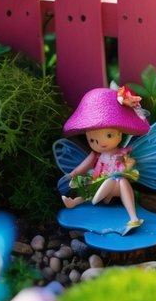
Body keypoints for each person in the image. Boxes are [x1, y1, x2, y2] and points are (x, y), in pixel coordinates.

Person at [59, 85, 150, 232]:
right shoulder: (96, 155)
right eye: (92, 140)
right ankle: (75, 202)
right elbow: (83, 166)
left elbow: (128, 166)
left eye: (109, 135)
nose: (101, 143)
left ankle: (133, 218)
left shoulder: (121, 153)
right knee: (97, 184)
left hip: (114, 186)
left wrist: (126, 164)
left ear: (119, 134)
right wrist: (72, 174)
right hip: (99, 182)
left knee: (121, 181)